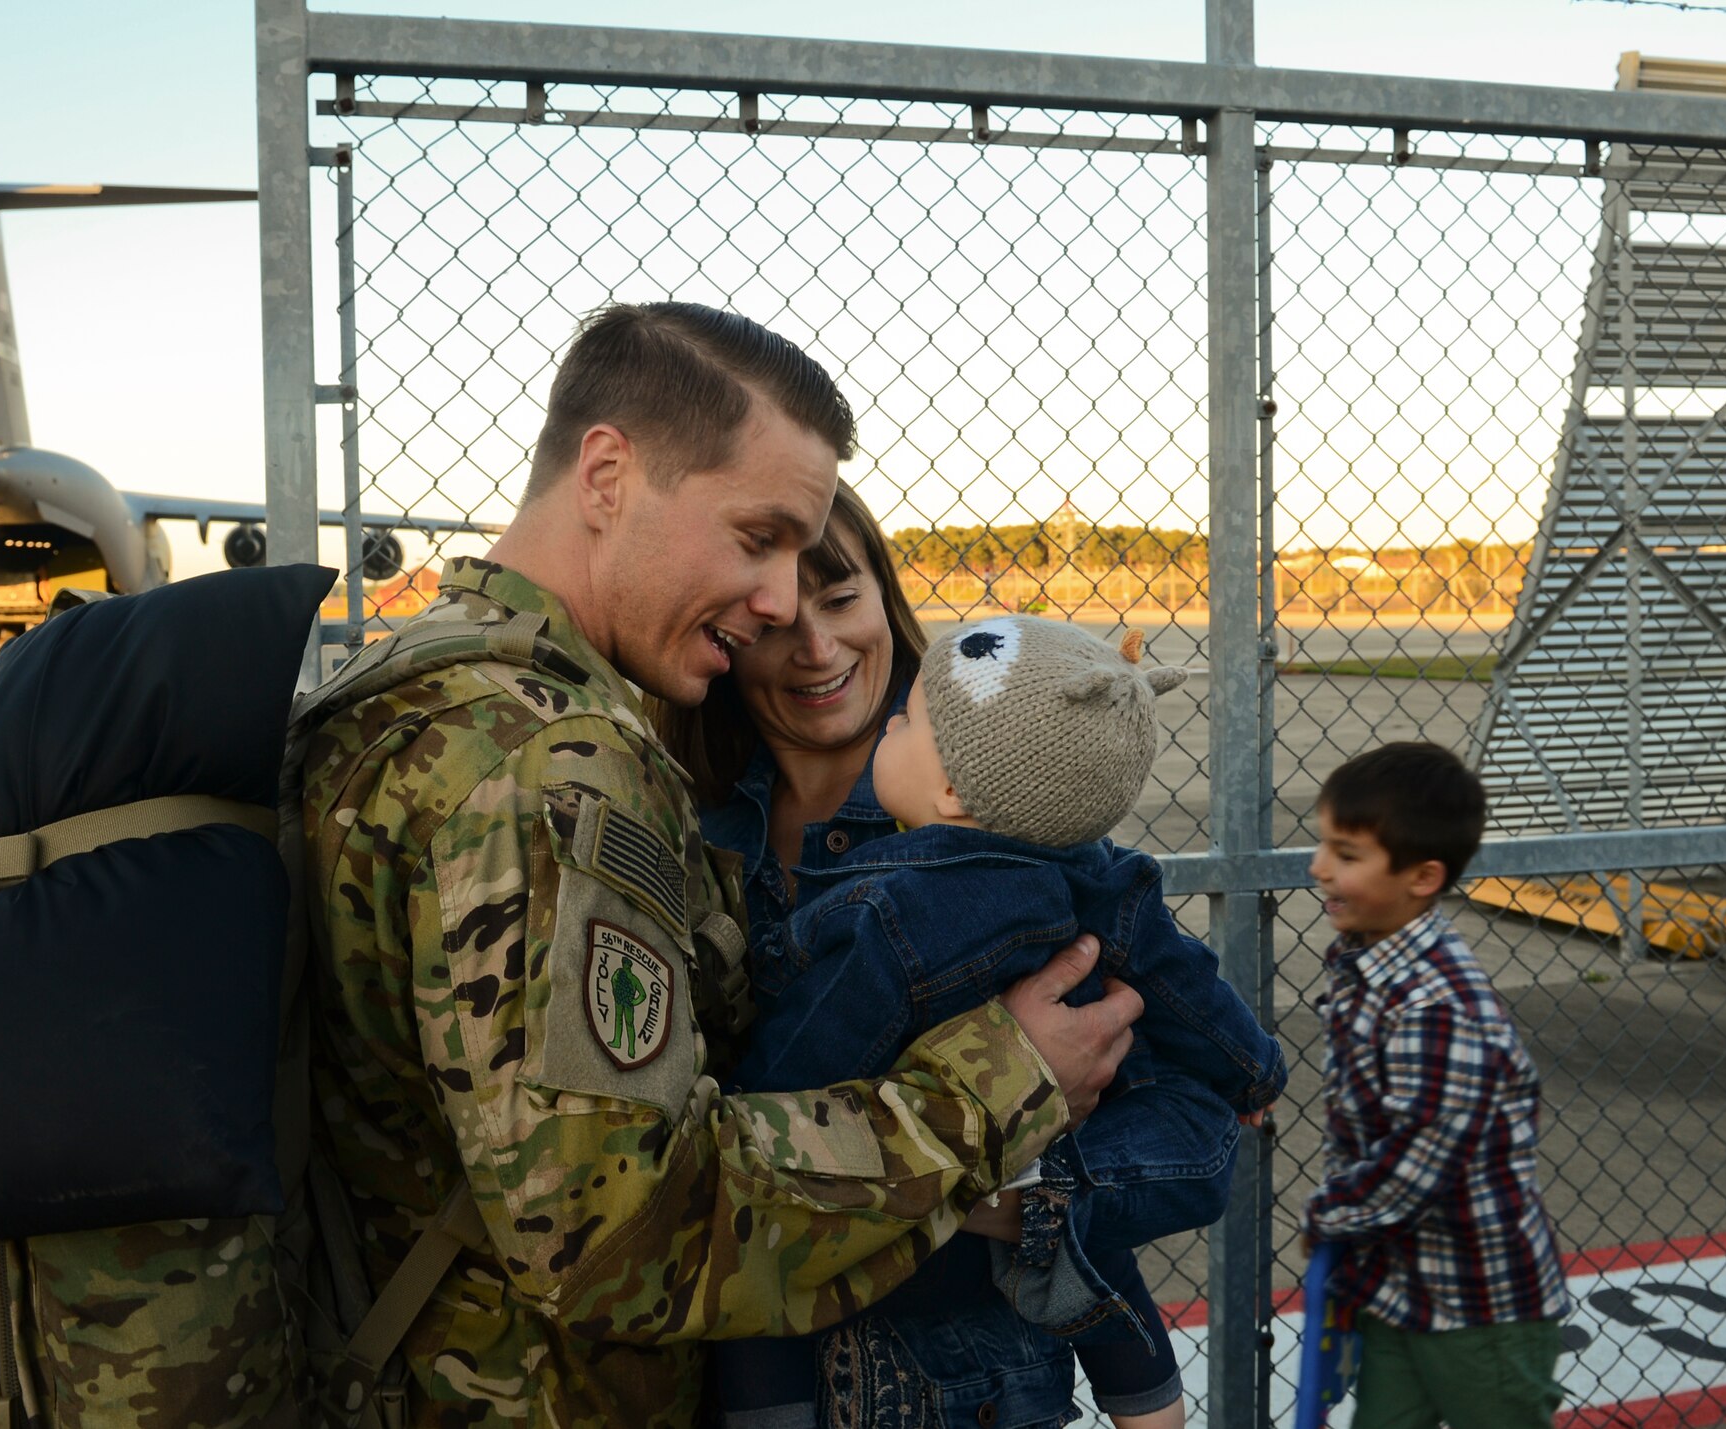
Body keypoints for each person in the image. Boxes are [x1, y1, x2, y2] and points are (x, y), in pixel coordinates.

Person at [301, 302, 1143, 1429]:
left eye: (810, 564)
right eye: (757, 539)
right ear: (607, 475)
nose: (784, 605)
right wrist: (996, 1085)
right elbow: (621, 1233)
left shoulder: (410, 681)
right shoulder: (551, 760)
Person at [695, 597, 1288, 1429]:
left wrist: (749, 1117)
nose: (886, 733)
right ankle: (1146, 1396)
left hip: (874, 1261)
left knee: (761, 1295)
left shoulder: (883, 910)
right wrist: (1253, 1068)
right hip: (1008, 1280)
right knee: (1080, 1221)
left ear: (946, 787)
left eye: (902, 723)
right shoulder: (1098, 877)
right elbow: (1187, 988)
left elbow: (798, 1068)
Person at [1303, 743, 1570, 1429]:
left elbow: (1419, 1157)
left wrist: (1332, 1213)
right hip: (1399, 1291)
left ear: (1422, 876)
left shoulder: (1436, 1004)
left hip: (1481, 1307)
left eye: (1347, 853)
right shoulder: (1369, 964)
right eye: (1323, 843)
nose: (1319, 867)